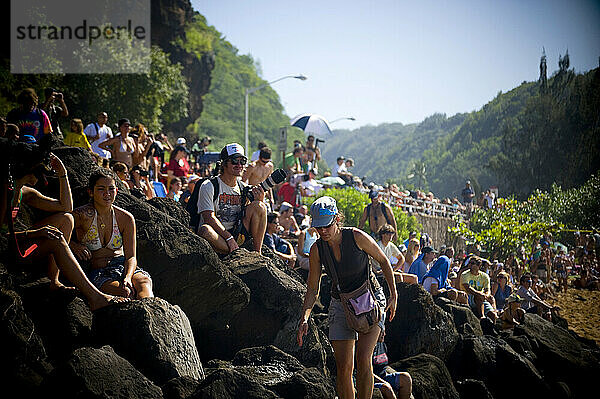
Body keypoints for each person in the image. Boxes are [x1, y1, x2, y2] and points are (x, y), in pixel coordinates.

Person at [0, 138, 128, 309]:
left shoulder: (24, 192)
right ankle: (95, 297)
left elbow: (66, 208)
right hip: (7, 250)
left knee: (66, 218)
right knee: (56, 240)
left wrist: (62, 172)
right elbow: (2, 237)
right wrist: (37, 233)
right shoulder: (6, 192)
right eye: (41, 171)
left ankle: (54, 280)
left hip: (17, 244)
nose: (44, 177)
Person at [297, 196, 397, 399]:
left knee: (363, 358)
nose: (323, 231)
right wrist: (305, 317)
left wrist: (394, 295)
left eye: (326, 226)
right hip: (340, 303)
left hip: (371, 299)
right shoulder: (317, 249)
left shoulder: (357, 236)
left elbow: (384, 262)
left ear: (336, 219)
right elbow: (312, 288)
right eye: (318, 227)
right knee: (343, 367)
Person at [70, 169, 153, 299]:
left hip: (123, 266)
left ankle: (152, 313)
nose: (107, 194)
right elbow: (58, 232)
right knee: (125, 293)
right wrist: (72, 245)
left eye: (111, 189)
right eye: (101, 189)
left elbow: (131, 256)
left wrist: (128, 277)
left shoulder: (125, 218)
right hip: (98, 271)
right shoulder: (81, 215)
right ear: (90, 192)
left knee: (144, 282)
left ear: (117, 191)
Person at [197, 143, 267, 254]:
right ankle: (236, 252)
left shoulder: (244, 188)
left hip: (238, 234)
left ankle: (257, 253)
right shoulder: (209, 185)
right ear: (224, 163)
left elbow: (255, 214)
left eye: (242, 161)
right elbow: (208, 217)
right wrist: (228, 238)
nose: (239, 165)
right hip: (218, 236)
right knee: (205, 230)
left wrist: (259, 199)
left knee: (260, 206)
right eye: (234, 160)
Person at [372, 330, 413, 399]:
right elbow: (364, 372)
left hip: (384, 377)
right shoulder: (366, 349)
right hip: (371, 381)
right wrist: (384, 382)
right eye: (381, 332)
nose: (384, 334)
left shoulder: (382, 345)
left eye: (384, 331)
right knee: (387, 388)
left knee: (406, 378)